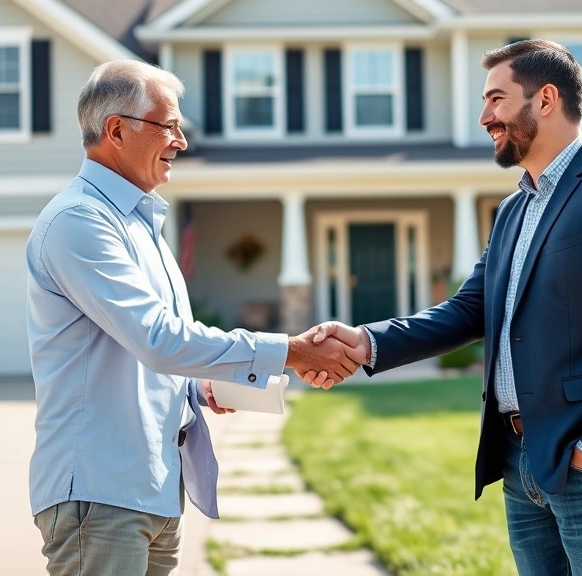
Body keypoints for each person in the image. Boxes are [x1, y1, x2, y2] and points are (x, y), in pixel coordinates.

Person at [302, 40, 582, 575]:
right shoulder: (514, 209)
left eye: (496, 99)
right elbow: (468, 310)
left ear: (546, 99)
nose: (484, 116)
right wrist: (368, 342)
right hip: (517, 458)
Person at [25, 60, 363, 576]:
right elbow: (158, 338)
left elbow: (144, 353)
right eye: (170, 125)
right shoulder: (80, 222)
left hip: (155, 489)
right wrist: (290, 351)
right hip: (101, 493)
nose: (181, 141)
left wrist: (199, 391)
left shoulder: (139, 223)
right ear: (117, 130)